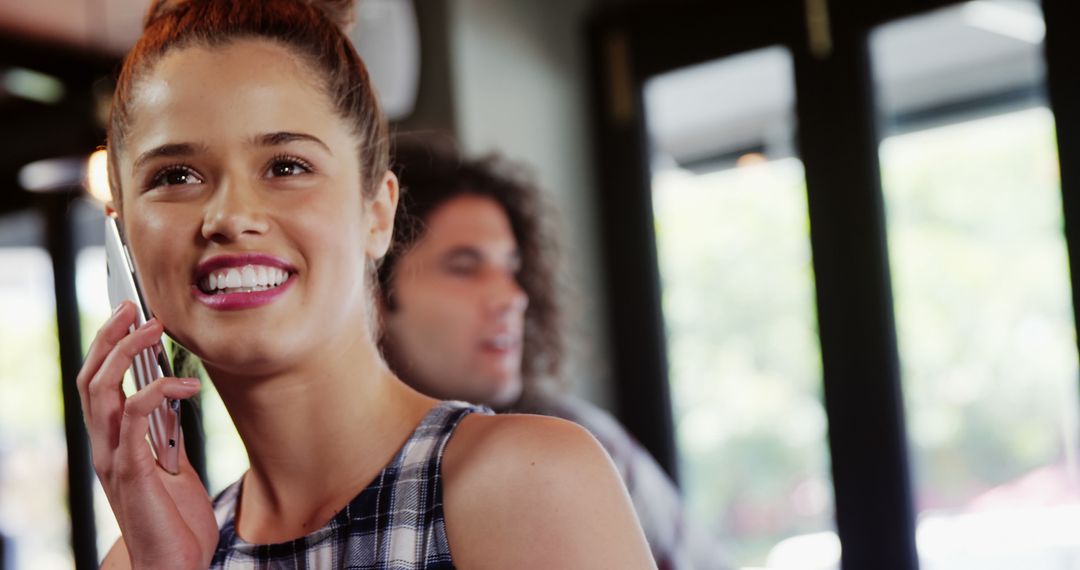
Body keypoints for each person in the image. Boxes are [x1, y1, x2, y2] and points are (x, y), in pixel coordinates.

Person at [76, 1, 653, 567]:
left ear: (376, 213)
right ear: (124, 236)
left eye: (286, 166)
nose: (230, 215)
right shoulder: (148, 556)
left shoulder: (528, 484)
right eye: (175, 176)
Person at [379, 138, 728, 569]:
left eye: (512, 269)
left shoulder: (577, 440)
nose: (512, 297)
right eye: (465, 267)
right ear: (374, 290)